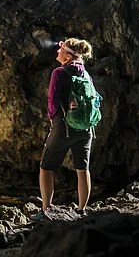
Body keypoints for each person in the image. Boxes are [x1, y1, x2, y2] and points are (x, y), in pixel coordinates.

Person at [31, 38, 95, 221]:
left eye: (61, 50)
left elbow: (52, 102)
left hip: (64, 127)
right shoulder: (86, 74)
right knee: (82, 168)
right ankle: (82, 210)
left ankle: (46, 210)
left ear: (68, 56)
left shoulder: (59, 73)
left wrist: (53, 119)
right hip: (86, 129)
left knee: (46, 167)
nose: (58, 51)